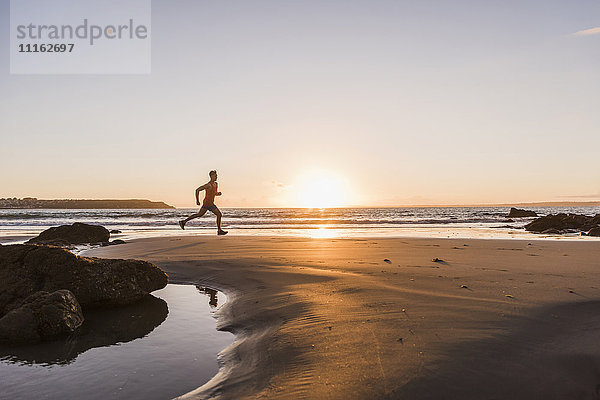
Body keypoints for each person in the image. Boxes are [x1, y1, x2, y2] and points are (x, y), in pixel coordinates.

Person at [179, 170, 228, 235]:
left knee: (199, 214)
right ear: (211, 176)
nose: (216, 177)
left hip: (209, 203)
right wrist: (197, 200)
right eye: (215, 176)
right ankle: (219, 230)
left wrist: (217, 193)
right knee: (219, 214)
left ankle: (183, 222)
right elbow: (197, 190)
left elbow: (213, 193)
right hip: (208, 203)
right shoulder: (208, 185)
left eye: (216, 176)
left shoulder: (216, 184)